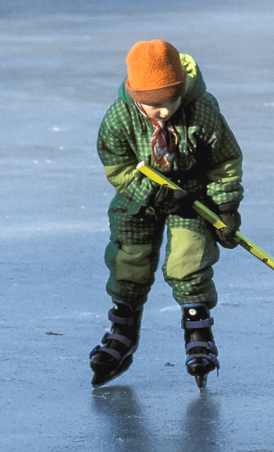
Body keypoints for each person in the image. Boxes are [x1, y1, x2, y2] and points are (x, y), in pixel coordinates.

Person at [89, 39, 243, 388]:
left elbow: (225, 162)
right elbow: (117, 166)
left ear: (182, 91)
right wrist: (152, 192)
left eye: (169, 102)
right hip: (140, 194)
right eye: (151, 105)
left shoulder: (202, 111)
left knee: (188, 260)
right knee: (129, 257)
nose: (162, 112)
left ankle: (197, 329)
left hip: (191, 196)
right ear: (134, 95)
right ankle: (123, 329)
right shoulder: (119, 116)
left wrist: (225, 206)